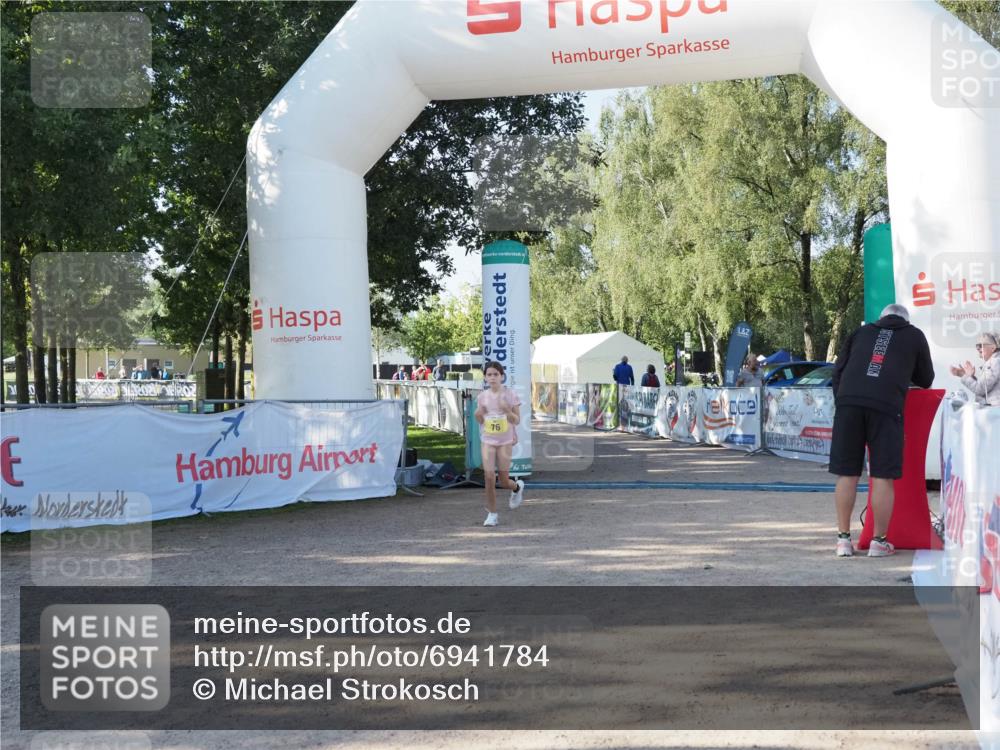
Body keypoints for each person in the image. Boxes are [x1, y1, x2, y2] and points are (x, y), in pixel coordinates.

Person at [829, 303, 934, 558]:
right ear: (905, 320)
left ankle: (843, 540)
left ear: (881, 318)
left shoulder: (859, 333)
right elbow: (926, 378)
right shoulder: (914, 335)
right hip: (886, 407)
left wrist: (844, 402)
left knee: (847, 473)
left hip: (849, 405)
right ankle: (879, 542)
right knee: (882, 476)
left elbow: (837, 372)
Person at [475, 360, 525, 527]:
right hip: (488, 439)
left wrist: (506, 410)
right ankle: (492, 514)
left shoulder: (511, 395)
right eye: (489, 375)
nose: (492, 377)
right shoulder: (482, 397)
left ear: (502, 376)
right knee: (489, 477)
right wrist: (478, 415)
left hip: (505, 440)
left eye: (495, 374)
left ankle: (516, 488)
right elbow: (480, 420)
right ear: (485, 378)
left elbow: (517, 420)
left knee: (503, 481)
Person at [950, 332, 1000, 406]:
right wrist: (971, 377)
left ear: (993, 348)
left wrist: (963, 375)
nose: (978, 348)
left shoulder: (994, 362)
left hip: (994, 411)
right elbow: (985, 388)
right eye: (977, 346)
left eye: (981, 345)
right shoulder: (994, 362)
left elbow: (980, 389)